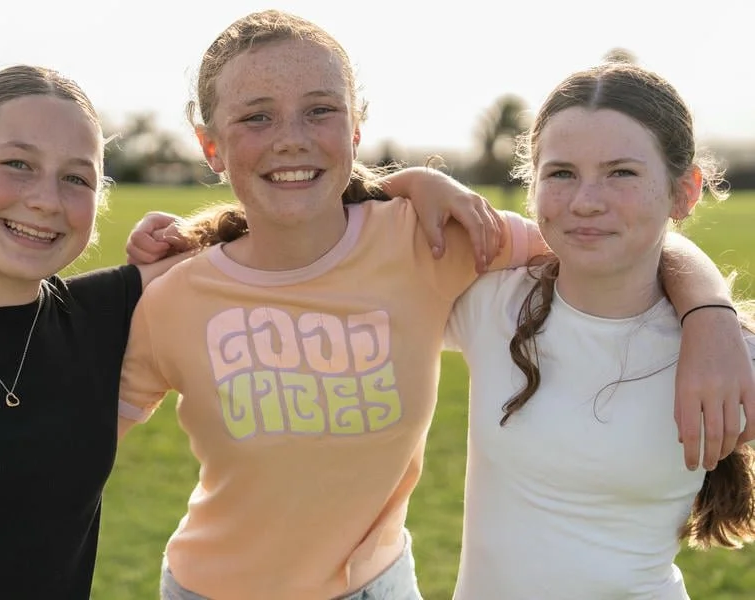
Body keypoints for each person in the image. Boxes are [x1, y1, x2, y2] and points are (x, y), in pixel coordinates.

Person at [115, 10, 753, 600]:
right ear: (211, 144)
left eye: (319, 110)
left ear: (355, 125)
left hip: (379, 584)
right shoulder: (178, 294)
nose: (586, 200)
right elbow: (78, 434)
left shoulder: (432, 247)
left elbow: (623, 250)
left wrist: (710, 316)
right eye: (257, 116)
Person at [0, 63, 524, 598]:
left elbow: (285, 215)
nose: (45, 199)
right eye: (17, 164)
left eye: (76, 178)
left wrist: (413, 184)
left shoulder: (109, 313)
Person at [445, 62, 755, 599]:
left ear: (685, 192)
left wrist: (710, 316)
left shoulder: (728, 356)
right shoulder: (490, 300)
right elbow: (350, 235)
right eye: (561, 173)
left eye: (622, 173)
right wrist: (420, 183)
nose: (586, 200)